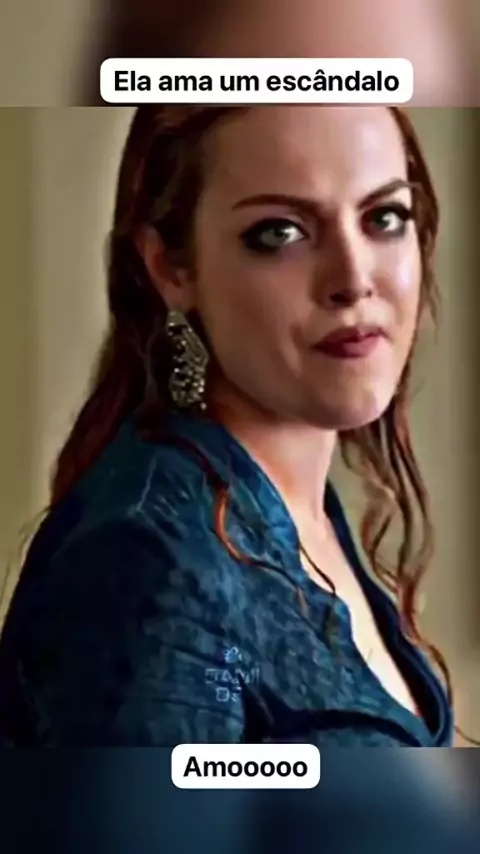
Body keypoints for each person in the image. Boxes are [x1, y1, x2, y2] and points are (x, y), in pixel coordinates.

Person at [0, 104, 458, 746]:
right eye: (280, 232)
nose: (354, 280)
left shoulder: (297, 510)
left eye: (384, 217)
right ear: (171, 267)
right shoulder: (151, 562)